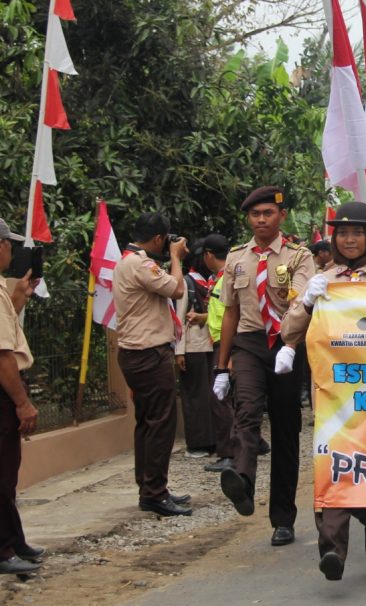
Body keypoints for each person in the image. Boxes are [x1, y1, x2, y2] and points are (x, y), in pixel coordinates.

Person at [279, 201, 366, 582]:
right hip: (333, 393)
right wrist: (309, 300)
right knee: (333, 468)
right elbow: (288, 332)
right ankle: (331, 549)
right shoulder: (322, 279)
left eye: (357, 233)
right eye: (343, 233)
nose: (350, 240)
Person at [215, 187, 315, 547]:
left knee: (287, 430)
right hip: (249, 344)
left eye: (268, 213)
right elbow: (230, 312)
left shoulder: (300, 256)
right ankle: (241, 480)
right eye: (255, 214)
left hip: (286, 344)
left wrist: (290, 345)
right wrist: (221, 366)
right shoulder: (236, 258)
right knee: (247, 411)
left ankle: (283, 518)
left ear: (281, 216)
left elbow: (302, 302)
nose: (261, 220)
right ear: (248, 218)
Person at [112, 213, 192, 517]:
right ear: (159, 238)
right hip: (147, 353)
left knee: (148, 422)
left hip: (136, 353)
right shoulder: (140, 264)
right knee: (161, 423)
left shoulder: (129, 261)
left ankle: (150, 488)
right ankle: (154, 493)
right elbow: (177, 289)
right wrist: (176, 258)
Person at [0, 217, 43, 575]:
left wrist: (18, 298)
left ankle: (11, 538)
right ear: (1, 246)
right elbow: (1, 353)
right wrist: (22, 402)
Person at [198, 234, 238, 473]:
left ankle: (228, 453)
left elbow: (231, 315)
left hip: (225, 344)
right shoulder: (224, 278)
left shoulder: (226, 280)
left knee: (220, 400)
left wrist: (228, 354)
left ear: (209, 255)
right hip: (221, 342)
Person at [175, 242, 217, 459]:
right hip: (192, 347)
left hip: (210, 344)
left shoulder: (210, 282)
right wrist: (179, 351)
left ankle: (212, 439)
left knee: (210, 394)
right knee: (194, 396)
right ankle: (197, 443)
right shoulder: (186, 282)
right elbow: (180, 318)